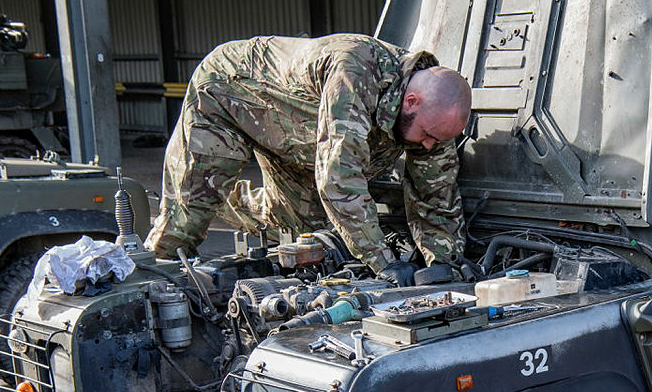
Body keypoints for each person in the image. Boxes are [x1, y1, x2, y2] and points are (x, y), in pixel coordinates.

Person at [145, 34, 471, 284]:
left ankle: (232, 202)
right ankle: (147, 282)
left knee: (308, 234)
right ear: (411, 101)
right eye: (428, 135)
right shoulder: (356, 70)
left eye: (438, 139)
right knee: (186, 218)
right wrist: (384, 262)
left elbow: (435, 196)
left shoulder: (434, 119)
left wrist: (444, 262)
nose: (429, 146)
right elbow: (340, 179)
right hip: (231, 94)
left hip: (302, 138)